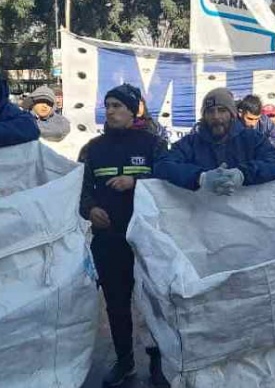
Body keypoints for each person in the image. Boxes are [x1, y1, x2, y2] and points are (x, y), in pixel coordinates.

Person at [79, 84, 168, 387]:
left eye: (118, 105)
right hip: (108, 240)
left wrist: (136, 182)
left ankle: (157, 362)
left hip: (146, 240)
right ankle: (125, 361)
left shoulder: (153, 145)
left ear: (133, 110)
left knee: (152, 303)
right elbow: (79, 192)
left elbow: (168, 184)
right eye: (108, 105)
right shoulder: (92, 149)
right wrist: (90, 210)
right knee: (116, 305)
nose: (112, 111)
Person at [155, 88, 275, 191]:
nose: (216, 116)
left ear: (232, 114)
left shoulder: (253, 139)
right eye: (210, 111)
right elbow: (163, 165)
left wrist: (242, 174)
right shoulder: (190, 143)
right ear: (204, 115)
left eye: (222, 110)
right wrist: (200, 177)